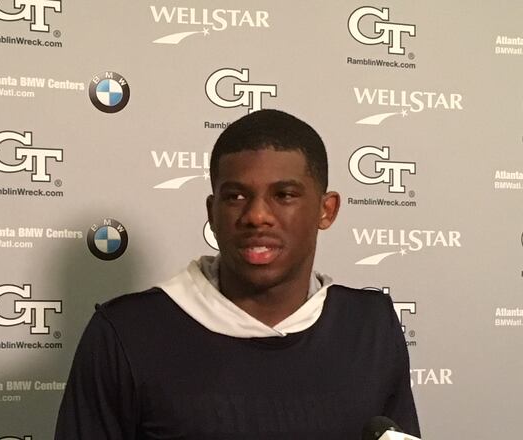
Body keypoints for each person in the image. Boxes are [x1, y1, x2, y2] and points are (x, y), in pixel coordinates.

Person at [55, 109, 420, 439]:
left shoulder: (370, 325)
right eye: (236, 197)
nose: (257, 216)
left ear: (327, 210)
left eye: (285, 195)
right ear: (212, 212)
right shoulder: (125, 334)